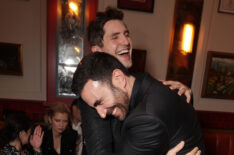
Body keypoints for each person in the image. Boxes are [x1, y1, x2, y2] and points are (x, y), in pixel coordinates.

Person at [76, 7, 196, 155]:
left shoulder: (140, 81)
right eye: (115, 37)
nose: (126, 41)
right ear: (97, 52)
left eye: (126, 34)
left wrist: (183, 94)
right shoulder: (93, 97)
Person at [72, 52, 205, 155]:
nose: (101, 114)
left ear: (119, 78)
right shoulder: (142, 82)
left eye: (100, 102)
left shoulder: (146, 118)